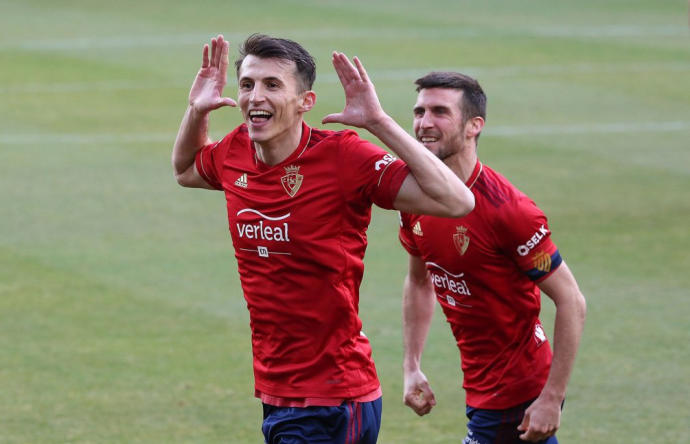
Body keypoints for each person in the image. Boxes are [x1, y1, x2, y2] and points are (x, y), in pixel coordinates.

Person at [172, 34, 475, 443]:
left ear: (305, 103)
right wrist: (196, 111)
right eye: (247, 85)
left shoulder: (344, 158)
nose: (255, 96)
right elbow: (186, 169)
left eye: (272, 85)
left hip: (334, 398)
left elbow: (456, 201)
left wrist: (379, 123)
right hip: (278, 388)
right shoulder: (234, 152)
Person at [399, 72, 586, 443]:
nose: (424, 123)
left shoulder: (509, 212)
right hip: (482, 383)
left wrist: (552, 397)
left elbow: (571, 300)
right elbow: (420, 280)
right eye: (420, 111)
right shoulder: (416, 198)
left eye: (440, 112)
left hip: (516, 390)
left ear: (474, 126)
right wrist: (411, 365)